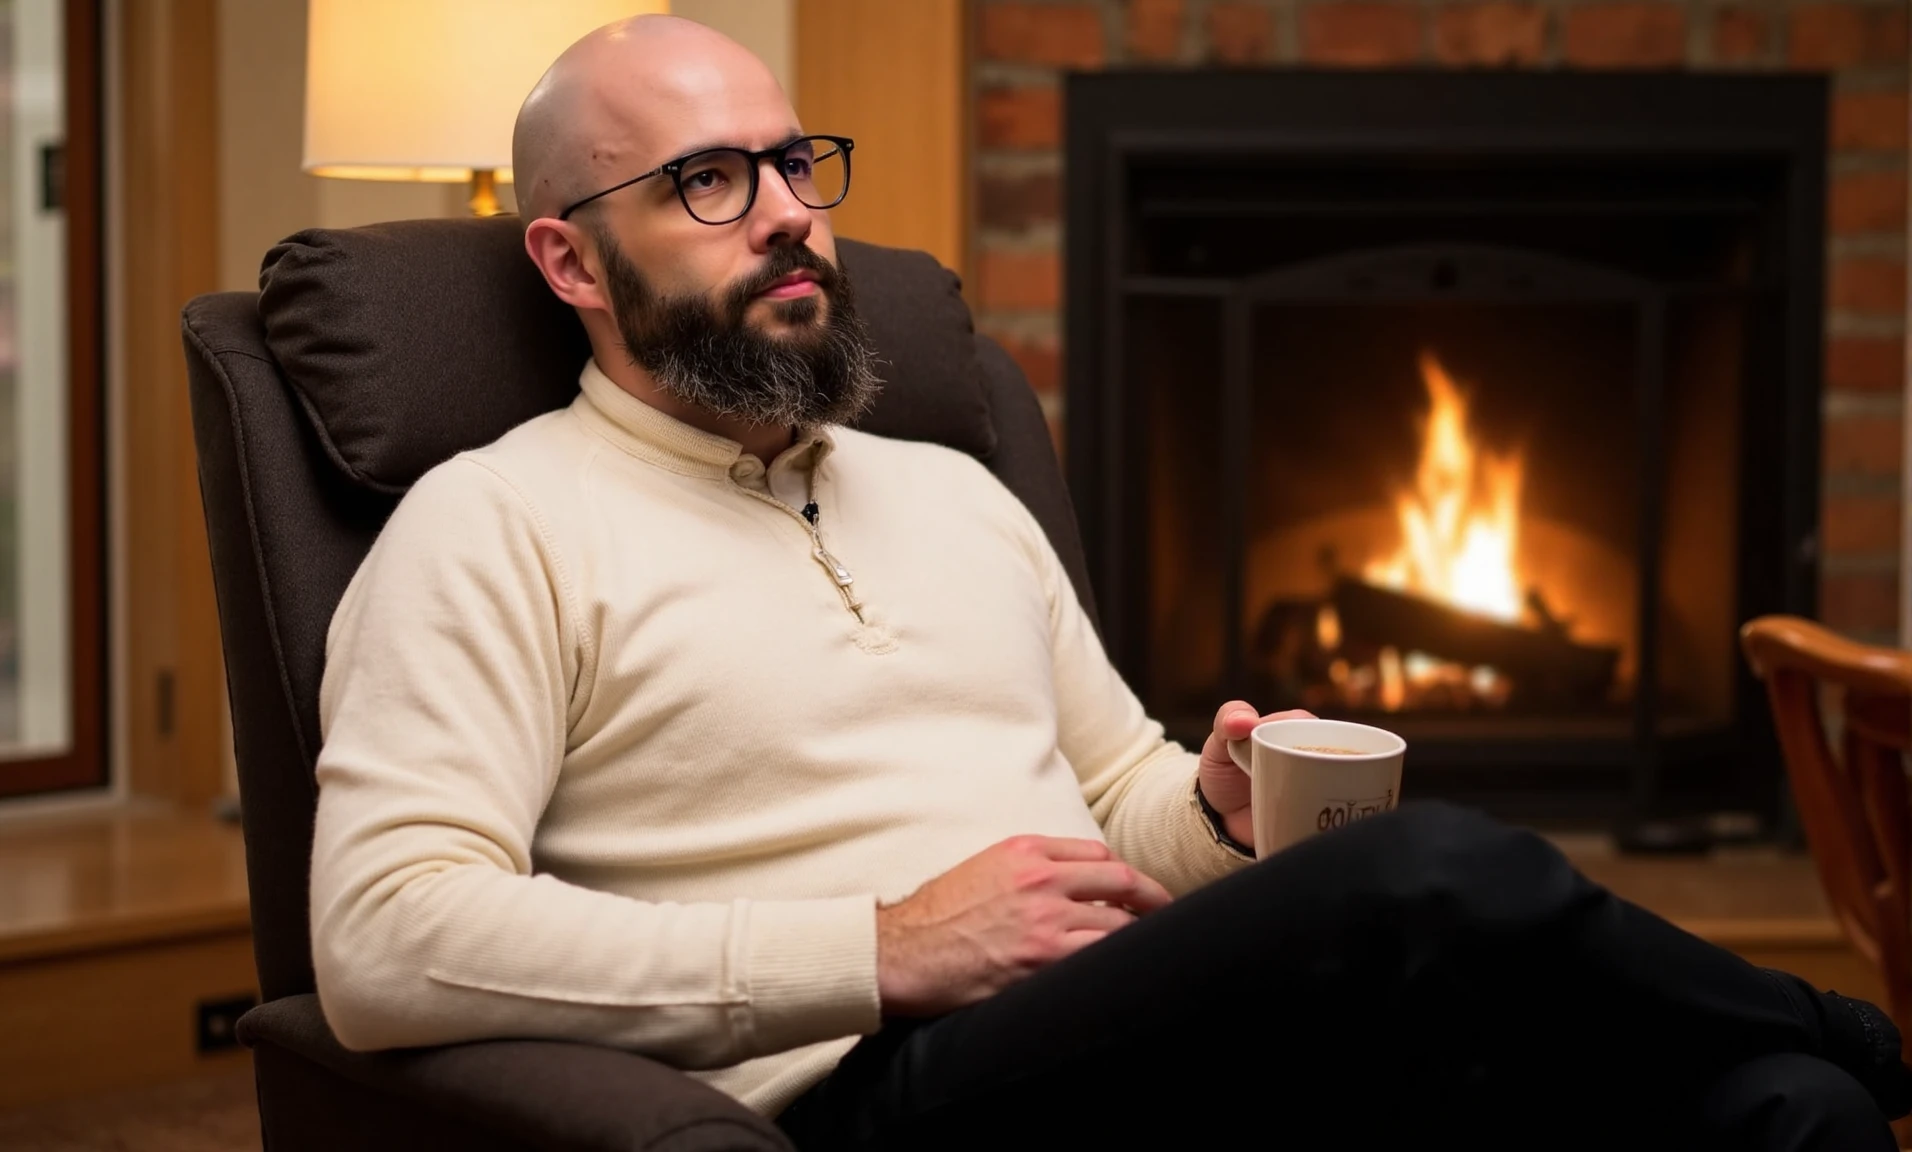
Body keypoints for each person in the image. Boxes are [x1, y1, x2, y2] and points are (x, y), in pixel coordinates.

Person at [308, 14, 1911, 1150]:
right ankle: (1864, 1023)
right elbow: (383, 942)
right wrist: (876, 948)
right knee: (1426, 877)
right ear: (571, 261)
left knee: (1785, 1117)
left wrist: (1211, 818)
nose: (792, 215)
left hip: (1128, 1025)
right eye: (710, 183)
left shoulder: (949, 489)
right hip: (873, 1085)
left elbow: (1118, 794)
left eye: (795, 164)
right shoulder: (492, 527)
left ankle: (1832, 1066)